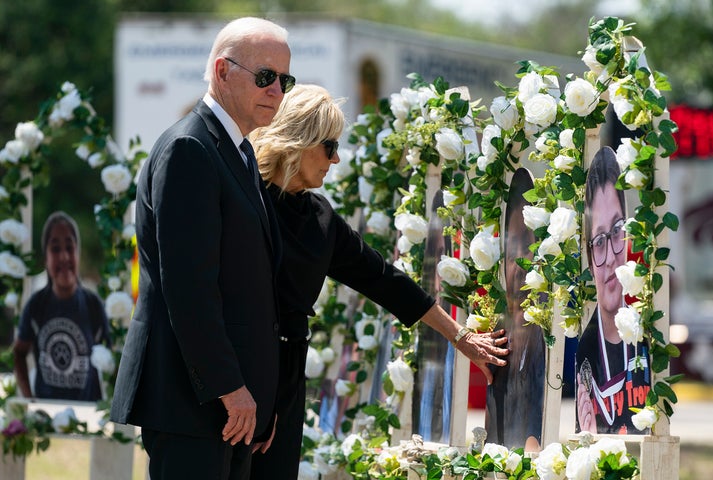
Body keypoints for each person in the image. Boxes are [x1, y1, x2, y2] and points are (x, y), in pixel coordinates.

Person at [248, 84, 509, 479]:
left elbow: (384, 279)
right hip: (241, 376)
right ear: (299, 142)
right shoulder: (246, 199)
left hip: (286, 378)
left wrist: (461, 338)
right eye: (329, 147)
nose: (335, 160)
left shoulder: (318, 215)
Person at [110, 17, 291, 479]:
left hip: (230, 411)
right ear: (221, 71)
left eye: (285, 80)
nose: (277, 91)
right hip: (195, 404)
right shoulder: (189, 148)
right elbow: (188, 288)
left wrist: (257, 397)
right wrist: (232, 388)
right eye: (266, 77)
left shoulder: (240, 151)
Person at [575, 146, 651, 435]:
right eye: (598, 242)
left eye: (617, 231)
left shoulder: (646, 334)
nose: (609, 258)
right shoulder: (585, 349)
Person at [12, 211, 111, 401]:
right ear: (46, 258)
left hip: (87, 419)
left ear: (78, 253)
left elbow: (113, 360)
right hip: (47, 418)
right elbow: (18, 353)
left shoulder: (93, 305)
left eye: (70, 247)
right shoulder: (36, 305)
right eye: (55, 249)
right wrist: (29, 399)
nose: (64, 257)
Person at [485, 168, 546, 451]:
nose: (520, 262)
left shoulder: (545, 351)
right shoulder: (500, 349)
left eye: (529, 246)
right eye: (514, 248)